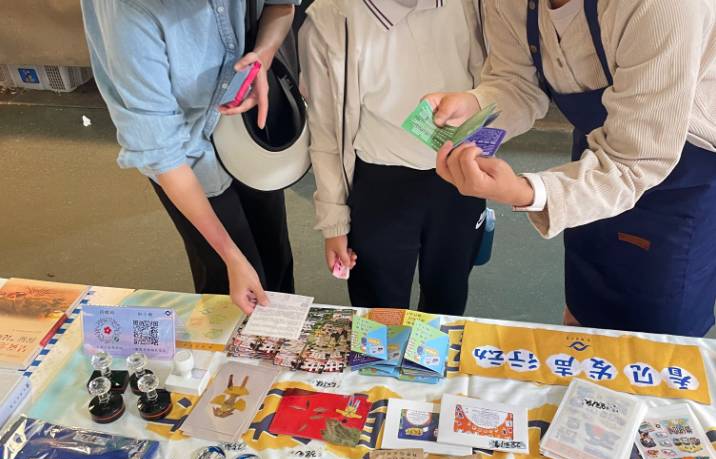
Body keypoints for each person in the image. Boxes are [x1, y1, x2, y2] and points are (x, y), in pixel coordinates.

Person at [427, 0, 716, 336]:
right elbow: (517, 82)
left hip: (677, 176)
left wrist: (525, 191)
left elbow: (633, 163)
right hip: (594, 156)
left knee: (652, 341)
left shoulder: (662, 7)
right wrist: (475, 107)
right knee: (583, 311)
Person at [81, 0, 300, 314]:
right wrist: (230, 256)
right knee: (230, 285)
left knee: (275, 257)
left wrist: (262, 57)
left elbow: (281, 6)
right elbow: (165, 156)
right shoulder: (129, 13)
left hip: (248, 132)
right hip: (187, 154)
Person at [298, 0, 486, 315]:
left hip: (459, 176)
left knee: (447, 301)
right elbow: (326, 132)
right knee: (379, 314)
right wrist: (334, 223)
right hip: (380, 183)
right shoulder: (329, 19)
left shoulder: (468, 6)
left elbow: (500, 81)